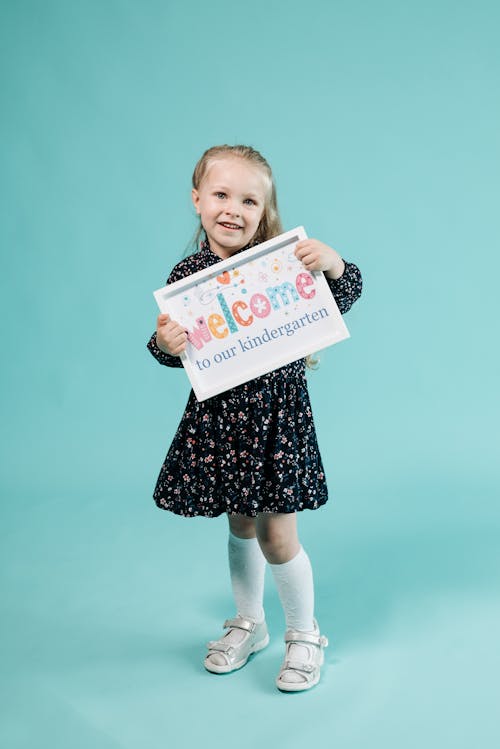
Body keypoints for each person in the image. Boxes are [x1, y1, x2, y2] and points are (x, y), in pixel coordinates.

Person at [147, 144, 362, 692]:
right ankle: (251, 622)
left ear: (263, 211)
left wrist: (333, 262)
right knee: (240, 523)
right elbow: (170, 349)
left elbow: (347, 290)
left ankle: (304, 633)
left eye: (248, 200)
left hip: (278, 422)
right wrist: (164, 342)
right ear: (197, 200)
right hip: (222, 422)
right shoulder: (189, 274)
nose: (233, 209)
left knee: (278, 533)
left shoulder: (281, 263)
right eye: (221, 195)